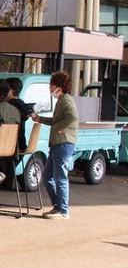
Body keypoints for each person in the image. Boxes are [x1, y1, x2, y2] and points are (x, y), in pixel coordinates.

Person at [32, 71, 79, 220]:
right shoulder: (62, 100)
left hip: (63, 144)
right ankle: (58, 206)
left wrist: (62, 128)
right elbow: (55, 120)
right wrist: (39, 119)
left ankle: (63, 209)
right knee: (47, 176)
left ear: (59, 86)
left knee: (60, 177)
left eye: (51, 85)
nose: (49, 88)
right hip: (57, 144)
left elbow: (73, 116)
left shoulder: (66, 100)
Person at [5, 77, 34, 152]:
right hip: (21, 145)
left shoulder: (8, 106)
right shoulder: (22, 105)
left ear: (11, 91)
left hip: (10, 147)